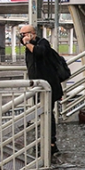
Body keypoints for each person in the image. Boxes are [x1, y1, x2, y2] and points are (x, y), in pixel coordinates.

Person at [20, 24, 63, 155]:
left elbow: (40, 52)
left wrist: (28, 43)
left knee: (48, 113)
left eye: (24, 34)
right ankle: (44, 139)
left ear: (32, 33)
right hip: (38, 86)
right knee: (41, 113)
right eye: (21, 35)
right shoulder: (28, 47)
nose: (22, 37)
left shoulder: (43, 43)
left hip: (48, 85)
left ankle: (51, 142)